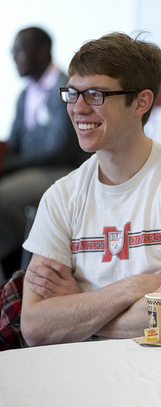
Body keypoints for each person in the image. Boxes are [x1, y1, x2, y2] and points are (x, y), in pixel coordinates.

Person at [20, 32, 161, 346]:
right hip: (86, 370)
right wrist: (134, 287)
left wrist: (79, 306)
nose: (78, 108)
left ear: (142, 101)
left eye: (96, 94)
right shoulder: (60, 195)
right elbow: (35, 327)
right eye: (72, 92)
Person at [0, 27, 87, 275]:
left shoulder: (65, 88)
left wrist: (11, 166)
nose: (13, 57)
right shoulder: (24, 94)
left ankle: (25, 264)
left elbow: (58, 150)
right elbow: (14, 145)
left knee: (3, 199)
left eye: (19, 50)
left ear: (42, 51)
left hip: (61, 169)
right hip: (31, 171)